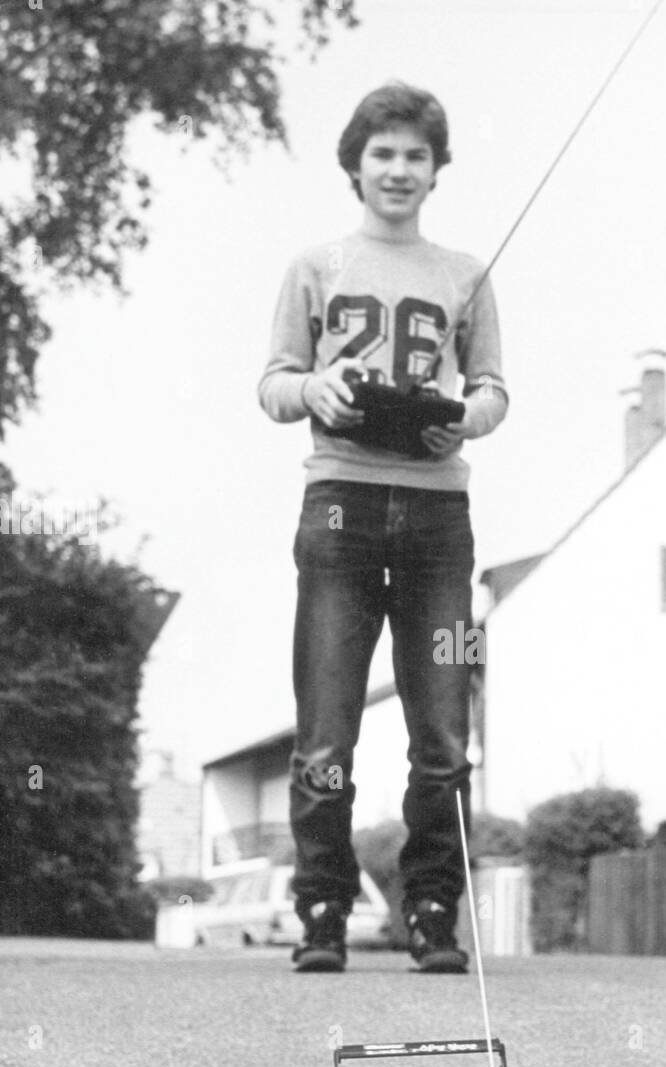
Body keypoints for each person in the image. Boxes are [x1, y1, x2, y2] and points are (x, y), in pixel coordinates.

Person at [258, 83, 508, 975]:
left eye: (415, 156)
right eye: (384, 154)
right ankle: (322, 906)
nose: (399, 170)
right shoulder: (315, 265)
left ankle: (433, 907)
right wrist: (313, 390)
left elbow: (492, 388)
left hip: (439, 514)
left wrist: (468, 416)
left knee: (442, 729)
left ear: (437, 171)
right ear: (355, 165)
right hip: (341, 507)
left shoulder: (467, 272)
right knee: (327, 724)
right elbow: (275, 382)